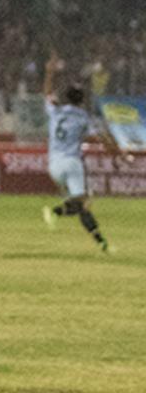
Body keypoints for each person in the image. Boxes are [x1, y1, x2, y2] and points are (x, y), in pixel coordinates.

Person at [40, 51, 131, 251]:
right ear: (82, 100)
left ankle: (103, 244)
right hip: (72, 163)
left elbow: (47, 93)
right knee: (82, 203)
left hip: (53, 165)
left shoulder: (55, 112)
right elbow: (104, 138)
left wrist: (49, 72)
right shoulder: (83, 118)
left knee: (82, 204)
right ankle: (56, 212)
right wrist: (119, 155)